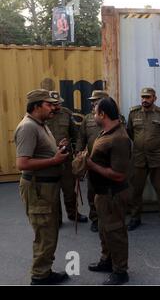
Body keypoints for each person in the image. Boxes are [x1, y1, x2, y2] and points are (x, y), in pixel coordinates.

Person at [14, 89, 70, 285]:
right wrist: (54, 159)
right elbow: (22, 164)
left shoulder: (41, 125)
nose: (54, 107)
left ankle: (45, 270)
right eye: (49, 104)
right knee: (45, 233)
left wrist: (57, 148)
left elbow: (41, 153)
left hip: (47, 188)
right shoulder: (28, 127)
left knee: (50, 231)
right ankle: (39, 276)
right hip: (38, 189)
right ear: (36, 106)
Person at [87, 97, 132, 285]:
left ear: (102, 114)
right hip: (102, 193)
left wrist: (90, 164)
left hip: (112, 194)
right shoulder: (105, 132)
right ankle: (107, 261)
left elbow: (119, 175)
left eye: (95, 111)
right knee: (105, 231)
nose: (93, 115)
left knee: (115, 231)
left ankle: (121, 271)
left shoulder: (119, 138)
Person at [127, 87, 160, 231]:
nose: (144, 100)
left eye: (148, 97)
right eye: (142, 97)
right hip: (139, 157)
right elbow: (130, 132)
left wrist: (155, 145)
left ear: (154, 98)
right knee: (136, 189)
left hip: (157, 157)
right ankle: (135, 218)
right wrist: (142, 145)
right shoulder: (133, 113)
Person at [46, 91, 88, 224]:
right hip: (49, 159)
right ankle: (56, 219)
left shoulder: (66, 113)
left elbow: (74, 134)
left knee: (69, 189)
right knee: (53, 192)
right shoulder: (42, 116)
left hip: (66, 157)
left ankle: (73, 214)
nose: (56, 106)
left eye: (58, 103)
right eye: (53, 104)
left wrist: (77, 151)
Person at [76, 90, 110, 232]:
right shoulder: (88, 118)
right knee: (92, 191)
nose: (92, 103)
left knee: (110, 191)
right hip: (92, 161)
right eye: (92, 101)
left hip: (109, 161)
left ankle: (109, 217)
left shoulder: (116, 117)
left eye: (96, 100)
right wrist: (78, 153)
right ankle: (95, 219)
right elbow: (81, 137)